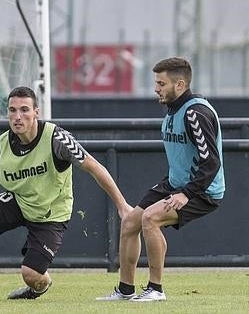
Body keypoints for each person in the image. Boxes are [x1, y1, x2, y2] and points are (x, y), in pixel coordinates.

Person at [0, 86, 132, 301]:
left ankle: (40, 285)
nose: (17, 116)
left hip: (51, 213)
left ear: (36, 112)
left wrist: (122, 205)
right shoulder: (2, 144)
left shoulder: (57, 138)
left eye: (24, 110)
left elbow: (94, 166)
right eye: (12, 110)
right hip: (18, 201)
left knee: (31, 275)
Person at [96, 57, 225, 302]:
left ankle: (156, 289)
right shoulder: (172, 112)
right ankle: (125, 290)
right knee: (129, 223)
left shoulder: (195, 113)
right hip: (175, 183)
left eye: (161, 83)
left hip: (202, 190)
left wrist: (186, 193)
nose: (156, 88)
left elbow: (211, 162)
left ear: (179, 85)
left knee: (150, 219)